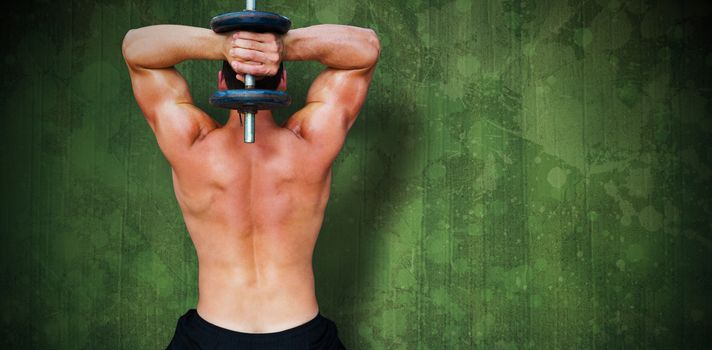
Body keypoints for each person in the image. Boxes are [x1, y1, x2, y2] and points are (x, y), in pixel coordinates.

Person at [121, 21, 380, 349]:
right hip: (302, 335)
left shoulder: (191, 144)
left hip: (210, 336)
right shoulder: (312, 142)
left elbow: (135, 46)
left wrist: (224, 47)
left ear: (220, 82)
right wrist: (281, 47)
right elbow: (366, 47)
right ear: (282, 82)